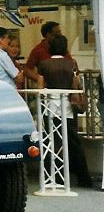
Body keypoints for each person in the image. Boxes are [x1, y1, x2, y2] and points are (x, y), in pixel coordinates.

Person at [37, 34, 93, 188]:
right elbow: (77, 83)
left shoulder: (44, 64)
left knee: (51, 142)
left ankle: (54, 176)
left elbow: (40, 87)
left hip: (50, 107)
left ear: (50, 47)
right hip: (68, 106)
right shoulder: (71, 63)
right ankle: (84, 178)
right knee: (74, 142)